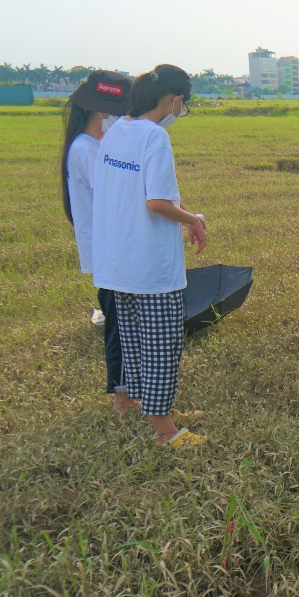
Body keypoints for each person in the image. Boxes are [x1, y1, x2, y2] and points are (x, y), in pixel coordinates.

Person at [92, 64, 208, 447]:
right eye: (183, 104)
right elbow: (157, 202)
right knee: (161, 344)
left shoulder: (114, 132)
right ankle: (164, 431)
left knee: (133, 341)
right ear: (175, 100)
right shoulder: (154, 138)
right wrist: (194, 219)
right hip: (150, 265)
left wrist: (184, 213)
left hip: (117, 262)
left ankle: (157, 408)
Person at [61, 70, 133, 412]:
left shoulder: (94, 146)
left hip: (115, 248)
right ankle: (122, 400)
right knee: (118, 326)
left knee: (125, 323)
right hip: (109, 252)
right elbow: (115, 194)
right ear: (102, 113)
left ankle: (131, 395)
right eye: (117, 112)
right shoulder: (85, 150)